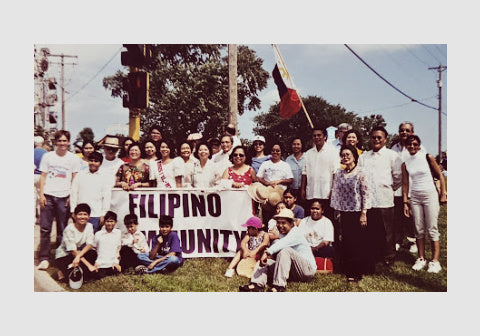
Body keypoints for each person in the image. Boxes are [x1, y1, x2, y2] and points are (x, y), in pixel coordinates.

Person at [238, 208, 316, 292]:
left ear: (291, 224)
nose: (280, 225)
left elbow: (282, 244)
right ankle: (257, 284)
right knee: (265, 262)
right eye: (278, 222)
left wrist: (267, 252)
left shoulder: (295, 233)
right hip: (293, 270)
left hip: (307, 270)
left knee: (285, 251)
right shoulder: (283, 234)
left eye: (283, 223)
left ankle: (279, 286)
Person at [358, 126, 402, 266]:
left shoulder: (392, 156)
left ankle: (389, 257)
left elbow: (398, 177)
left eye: (379, 138)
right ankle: (373, 255)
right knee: (371, 230)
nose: (376, 140)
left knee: (387, 230)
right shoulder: (364, 156)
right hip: (368, 200)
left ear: (385, 140)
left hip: (385, 199)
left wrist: (388, 187)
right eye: (373, 137)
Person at [402, 135, 446, 273]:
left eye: (415, 144)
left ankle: (435, 261)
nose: (412, 147)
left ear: (419, 145)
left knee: (432, 228)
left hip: (430, 195)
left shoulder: (428, 157)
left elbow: (440, 175)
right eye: (410, 144)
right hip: (415, 197)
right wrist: (405, 202)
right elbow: (405, 184)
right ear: (406, 146)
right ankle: (421, 258)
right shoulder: (405, 163)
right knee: (418, 229)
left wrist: (443, 194)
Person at [37, 130, 81, 270]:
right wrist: (41, 195)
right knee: (45, 229)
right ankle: (44, 258)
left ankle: (59, 257)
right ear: (55, 142)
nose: (62, 143)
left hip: (64, 197)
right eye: (59, 141)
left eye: (64, 141)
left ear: (68, 142)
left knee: (62, 230)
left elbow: (74, 179)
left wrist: (70, 197)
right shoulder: (48, 157)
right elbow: (42, 177)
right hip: (48, 196)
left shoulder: (73, 159)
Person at [331, 144, 373, 281]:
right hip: (344, 211)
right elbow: (336, 193)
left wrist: (364, 213)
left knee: (358, 242)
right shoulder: (338, 173)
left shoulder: (361, 172)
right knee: (347, 241)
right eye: (343, 155)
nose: (345, 157)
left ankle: (358, 272)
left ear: (354, 156)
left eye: (348, 155)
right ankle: (348, 270)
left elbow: (366, 193)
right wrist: (337, 210)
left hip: (358, 212)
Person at [391, 122, 426, 253]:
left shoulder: (419, 147)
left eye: (407, 130)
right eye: (402, 130)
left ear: (412, 132)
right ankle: (398, 240)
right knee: (397, 217)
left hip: (413, 188)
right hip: (396, 189)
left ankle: (413, 241)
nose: (404, 133)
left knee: (412, 217)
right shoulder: (394, 147)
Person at [301, 127, 339, 222]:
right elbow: (304, 173)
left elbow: (336, 173)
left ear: (325, 137)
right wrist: (302, 189)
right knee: (310, 221)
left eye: (319, 135)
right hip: (311, 193)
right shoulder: (308, 154)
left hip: (326, 194)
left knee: (329, 221)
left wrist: (333, 190)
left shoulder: (333, 152)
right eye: (314, 136)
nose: (316, 137)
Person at [54, 203, 97, 287]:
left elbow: (89, 245)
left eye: (85, 214)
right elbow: (73, 251)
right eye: (80, 214)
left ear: (89, 217)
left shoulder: (89, 226)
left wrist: (78, 257)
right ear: (74, 216)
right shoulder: (69, 229)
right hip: (66, 255)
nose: (82, 217)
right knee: (72, 275)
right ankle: (62, 271)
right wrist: (89, 266)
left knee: (93, 254)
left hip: (79, 254)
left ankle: (79, 269)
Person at [70, 151, 111, 233]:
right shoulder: (80, 175)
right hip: (81, 214)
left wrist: (103, 214)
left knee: (93, 241)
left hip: (96, 214)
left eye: (96, 161)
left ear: (100, 163)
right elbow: (74, 193)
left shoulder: (104, 177)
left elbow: (106, 197)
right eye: (91, 160)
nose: (93, 163)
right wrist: (73, 210)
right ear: (88, 161)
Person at [92, 211, 122, 279]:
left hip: (113, 263)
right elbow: (94, 248)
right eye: (107, 221)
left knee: (115, 274)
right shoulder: (98, 234)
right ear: (104, 222)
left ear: (115, 222)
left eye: (111, 221)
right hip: (101, 264)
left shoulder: (118, 233)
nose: (109, 223)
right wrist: (96, 262)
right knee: (99, 277)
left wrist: (116, 262)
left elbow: (118, 248)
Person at [34, 135, 47, 220]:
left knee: (33, 197)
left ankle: (33, 219)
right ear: (42, 143)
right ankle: (41, 217)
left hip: (33, 175)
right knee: (41, 196)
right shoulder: (46, 153)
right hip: (43, 176)